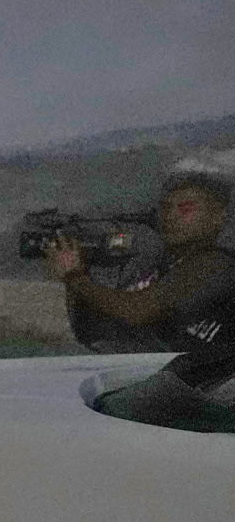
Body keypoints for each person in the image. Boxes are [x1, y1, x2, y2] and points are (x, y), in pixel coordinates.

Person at [47, 171, 235, 428]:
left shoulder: (218, 266)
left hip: (211, 402)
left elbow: (139, 310)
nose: (171, 216)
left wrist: (75, 277)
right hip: (179, 391)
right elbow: (95, 335)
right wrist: (78, 278)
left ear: (218, 216)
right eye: (166, 208)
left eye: (186, 209)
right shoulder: (163, 270)